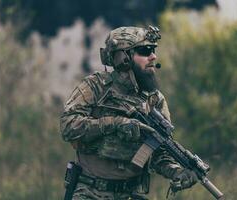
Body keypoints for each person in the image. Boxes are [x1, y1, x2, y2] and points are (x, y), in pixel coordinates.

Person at [60, 26, 197, 200]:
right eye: (145, 51)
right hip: (90, 192)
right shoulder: (95, 87)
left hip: (129, 194)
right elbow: (68, 126)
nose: (153, 56)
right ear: (123, 58)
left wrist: (177, 171)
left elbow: (158, 151)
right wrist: (115, 124)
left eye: (153, 50)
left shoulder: (154, 99)